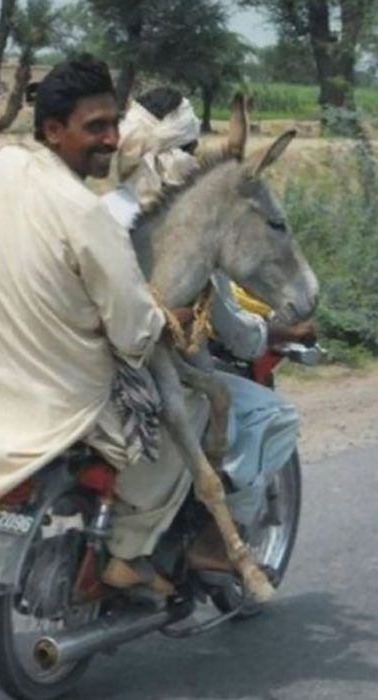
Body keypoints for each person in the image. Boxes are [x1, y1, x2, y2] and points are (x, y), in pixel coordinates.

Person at [0, 58, 209, 595]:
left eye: (114, 124)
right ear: (53, 130)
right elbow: (134, 333)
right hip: (63, 404)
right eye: (95, 127)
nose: (112, 139)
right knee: (192, 407)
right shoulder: (89, 216)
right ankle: (130, 550)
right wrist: (170, 318)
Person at [102, 86, 315, 569]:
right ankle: (215, 542)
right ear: (177, 154)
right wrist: (275, 333)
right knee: (270, 416)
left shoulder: (104, 209)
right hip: (150, 376)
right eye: (193, 151)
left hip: (95, 365)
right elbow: (237, 334)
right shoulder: (186, 227)